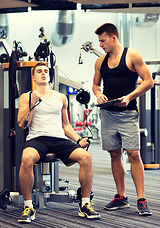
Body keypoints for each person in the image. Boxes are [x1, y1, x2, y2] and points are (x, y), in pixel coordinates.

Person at [17, 62, 101, 223]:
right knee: (26, 158)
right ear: (33, 77)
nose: (43, 73)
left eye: (46, 71)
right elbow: (22, 124)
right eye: (39, 71)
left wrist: (78, 139)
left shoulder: (60, 97)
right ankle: (28, 206)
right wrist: (32, 104)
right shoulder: (26, 97)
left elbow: (66, 125)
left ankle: (85, 204)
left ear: (49, 76)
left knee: (86, 157)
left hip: (59, 139)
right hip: (37, 139)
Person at [92, 23, 154, 216]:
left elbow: (149, 81)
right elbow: (95, 85)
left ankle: (141, 199)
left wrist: (129, 97)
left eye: (103, 41)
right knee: (114, 154)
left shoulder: (132, 56)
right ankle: (121, 196)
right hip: (108, 114)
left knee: (134, 154)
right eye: (99, 41)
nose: (100, 44)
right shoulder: (100, 61)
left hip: (128, 114)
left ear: (113, 38)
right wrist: (98, 94)